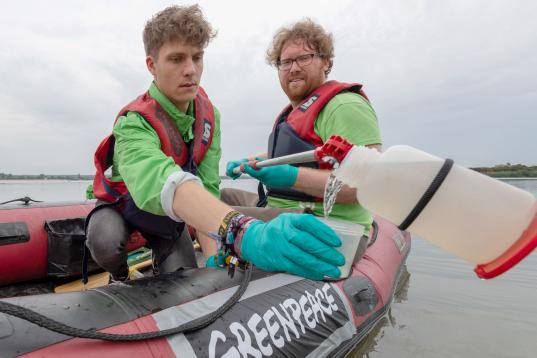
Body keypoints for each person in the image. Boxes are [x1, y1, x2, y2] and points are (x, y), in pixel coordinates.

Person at [86, 5, 344, 282]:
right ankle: (120, 276)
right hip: (124, 207)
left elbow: (208, 187)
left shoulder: (209, 118)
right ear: (152, 65)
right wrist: (242, 232)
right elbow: (158, 180)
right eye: (176, 59)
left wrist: (213, 256)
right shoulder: (133, 123)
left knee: (188, 278)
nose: (190, 70)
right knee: (105, 241)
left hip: (166, 220)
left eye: (197, 58)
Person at [225, 18, 382, 233]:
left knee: (216, 213)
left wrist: (292, 177)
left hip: (322, 223)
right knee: (220, 196)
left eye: (304, 58)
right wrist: (253, 161)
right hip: (282, 209)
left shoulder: (344, 106)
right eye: (286, 62)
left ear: (325, 62)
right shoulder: (293, 114)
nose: (294, 68)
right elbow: (304, 153)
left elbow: (369, 184)